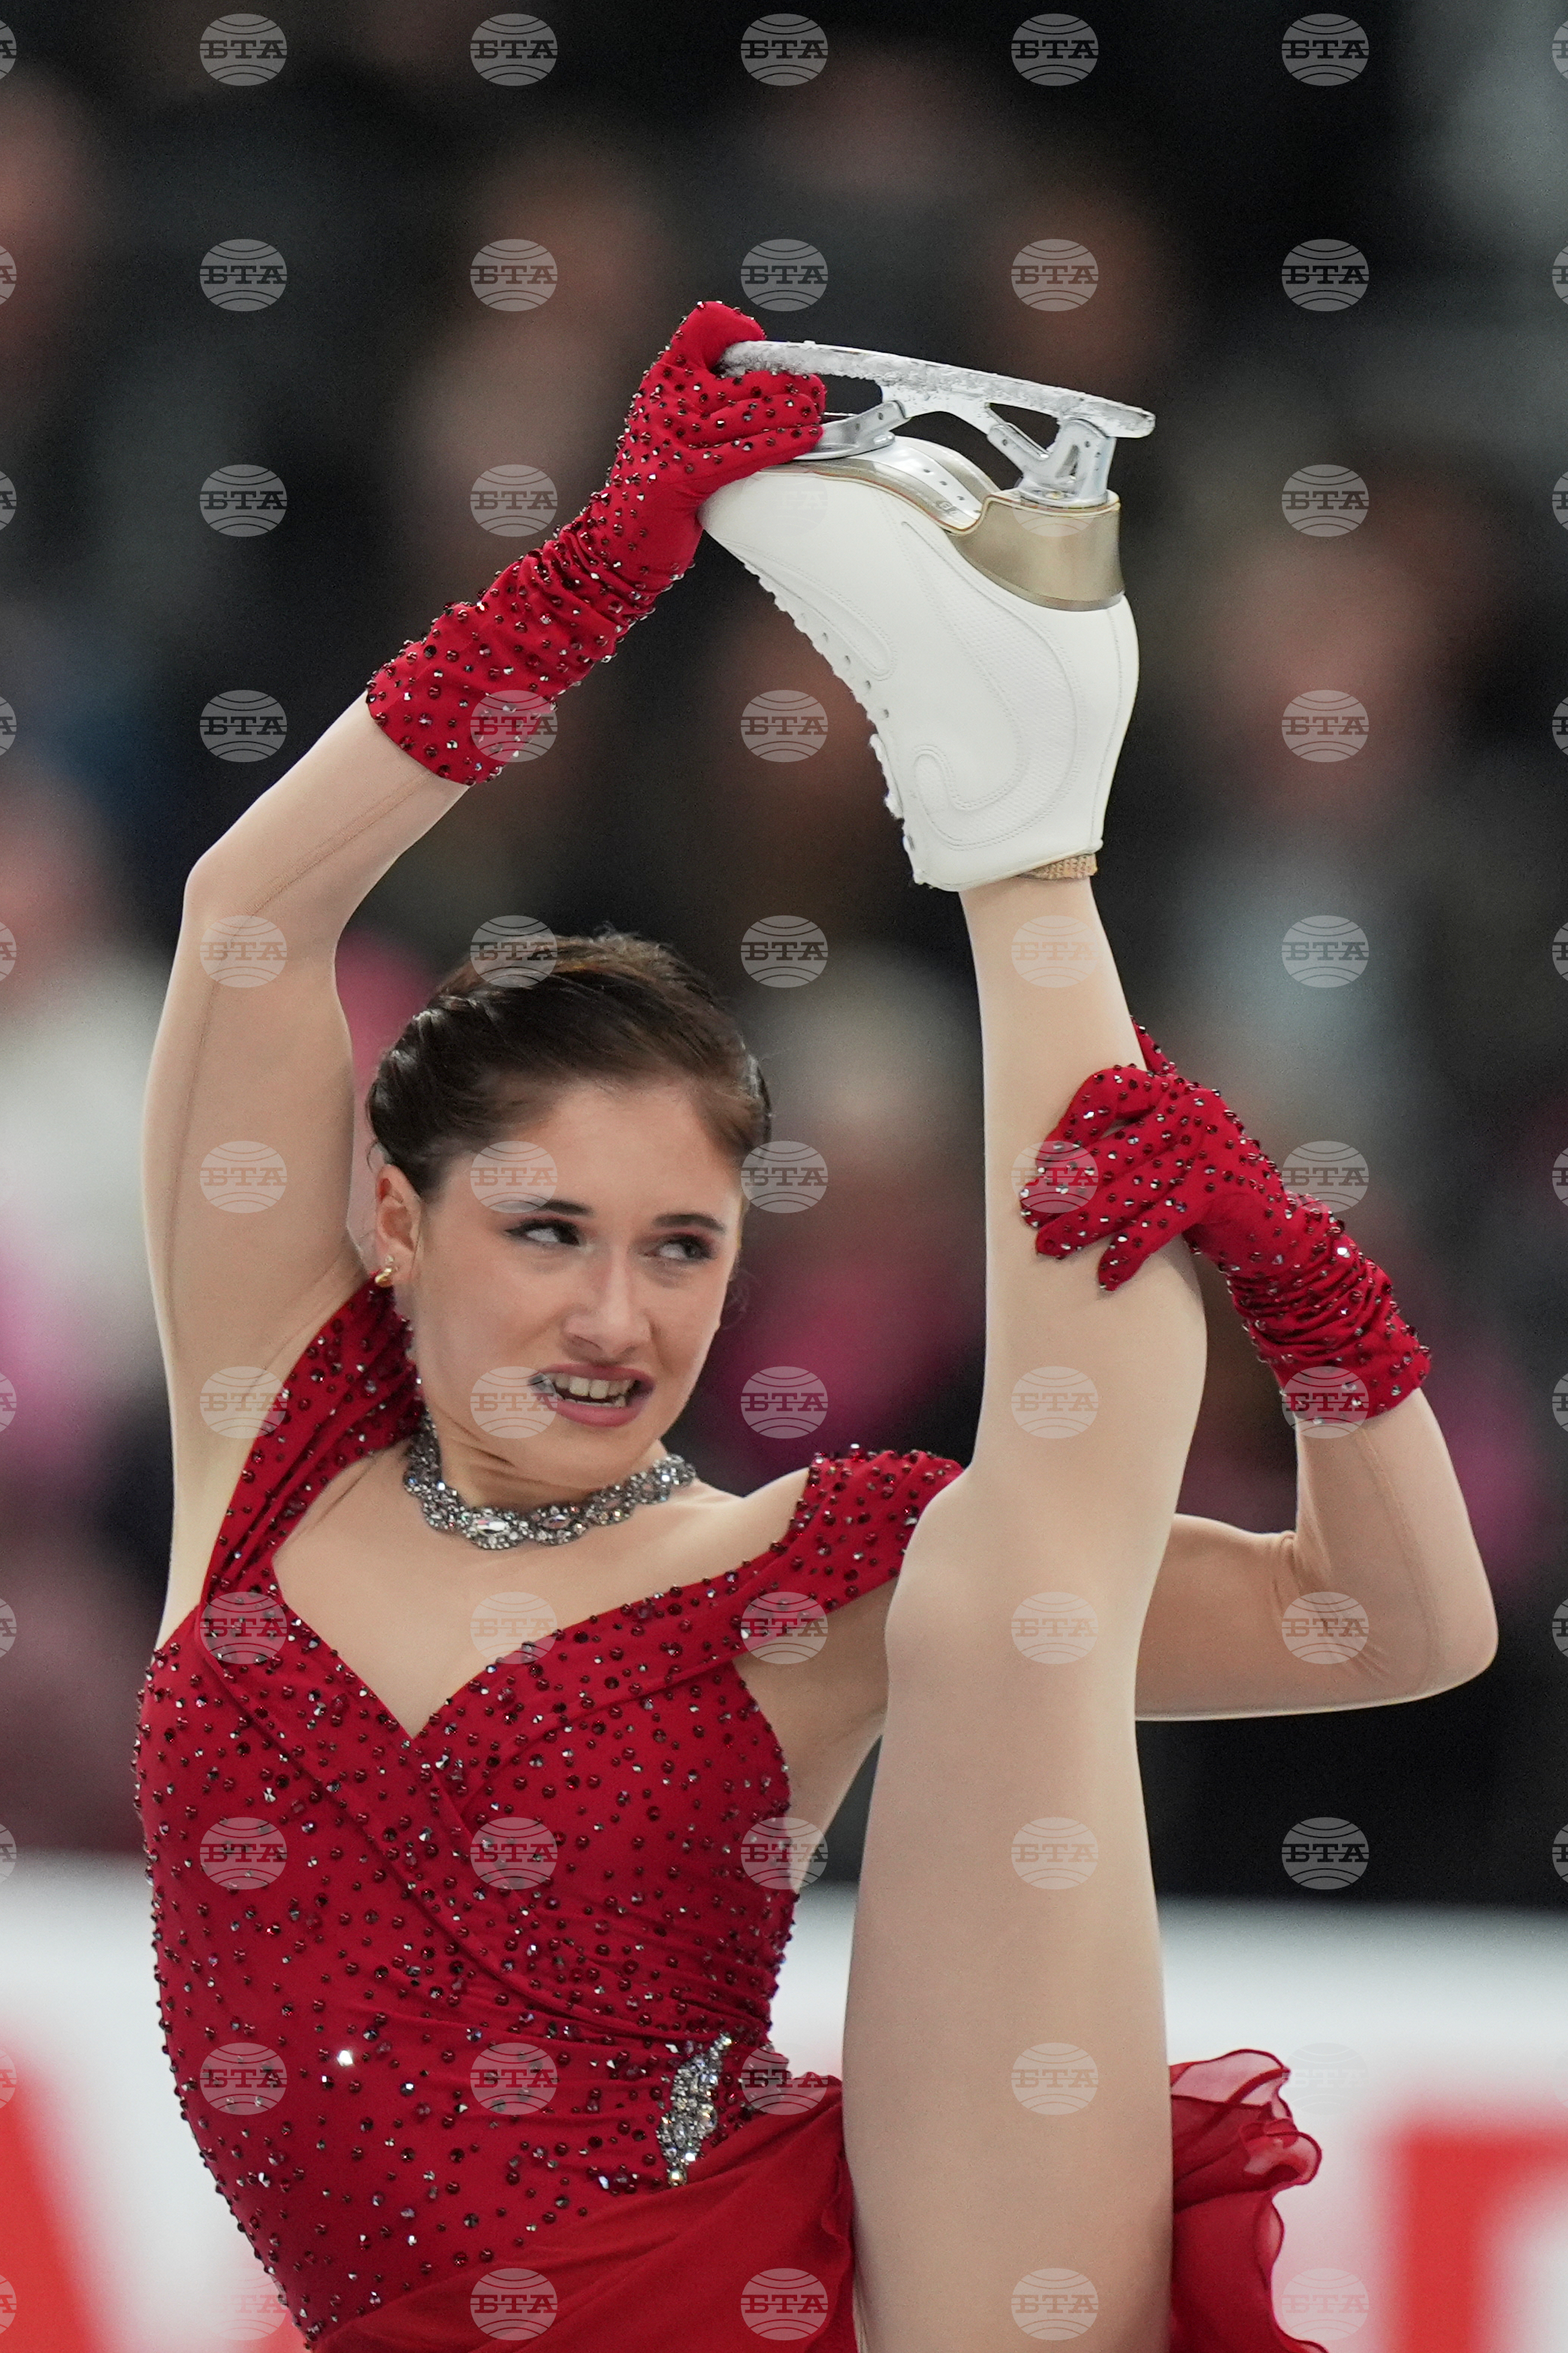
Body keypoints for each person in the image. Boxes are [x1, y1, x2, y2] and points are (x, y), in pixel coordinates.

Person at [135, 305, 1497, 2353]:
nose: (618, 1310)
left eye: (682, 1246)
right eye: (552, 1232)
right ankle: (1024, 720)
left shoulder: (786, 1579)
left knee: (996, 1578)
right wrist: (593, 575)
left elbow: (1389, 1621)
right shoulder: (275, 1430)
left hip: (804, 2299)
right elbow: (251, 920)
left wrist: (1297, 1282)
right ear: (400, 1221)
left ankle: (1018, 822)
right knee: (995, 1570)